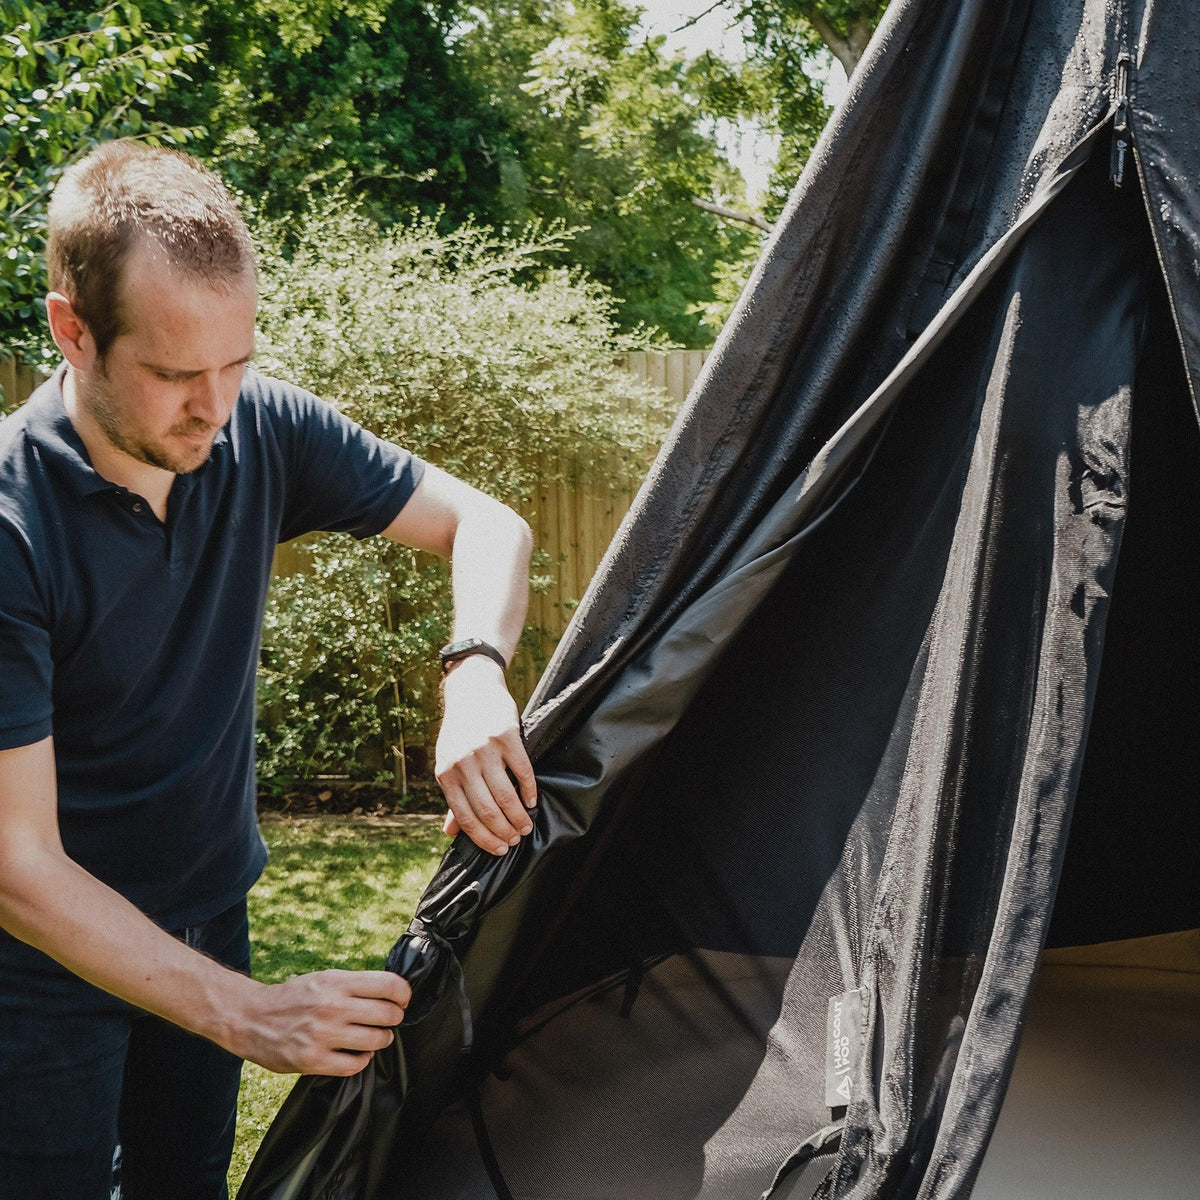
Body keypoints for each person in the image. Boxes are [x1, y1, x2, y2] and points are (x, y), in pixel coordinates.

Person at [0, 139, 538, 1199]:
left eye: (236, 363)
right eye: (173, 373)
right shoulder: (12, 528)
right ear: (73, 331)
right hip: (40, 973)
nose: (214, 406)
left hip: (208, 913)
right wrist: (250, 1014)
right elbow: (18, 867)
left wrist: (474, 668)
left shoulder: (260, 429)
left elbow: (488, 523)